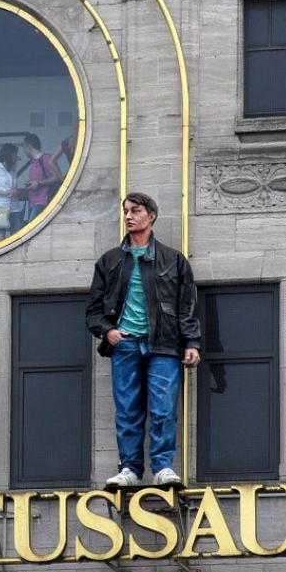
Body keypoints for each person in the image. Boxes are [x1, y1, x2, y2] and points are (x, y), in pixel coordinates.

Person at [86, 193, 201, 488]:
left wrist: (191, 342)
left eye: (135, 211)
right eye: (125, 211)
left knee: (163, 408)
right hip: (124, 344)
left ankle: (162, 467)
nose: (128, 216)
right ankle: (130, 469)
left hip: (163, 343)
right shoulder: (110, 261)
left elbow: (186, 305)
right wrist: (109, 332)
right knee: (128, 409)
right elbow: (93, 311)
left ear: (151, 215)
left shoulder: (173, 259)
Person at [21, 132, 60, 222]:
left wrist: (39, 184)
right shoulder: (33, 162)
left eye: (24, 148)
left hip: (43, 201)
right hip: (33, 202)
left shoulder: (46, 158)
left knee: (31, 228)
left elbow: (56, 177)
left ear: (29, 147)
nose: (24, 151)